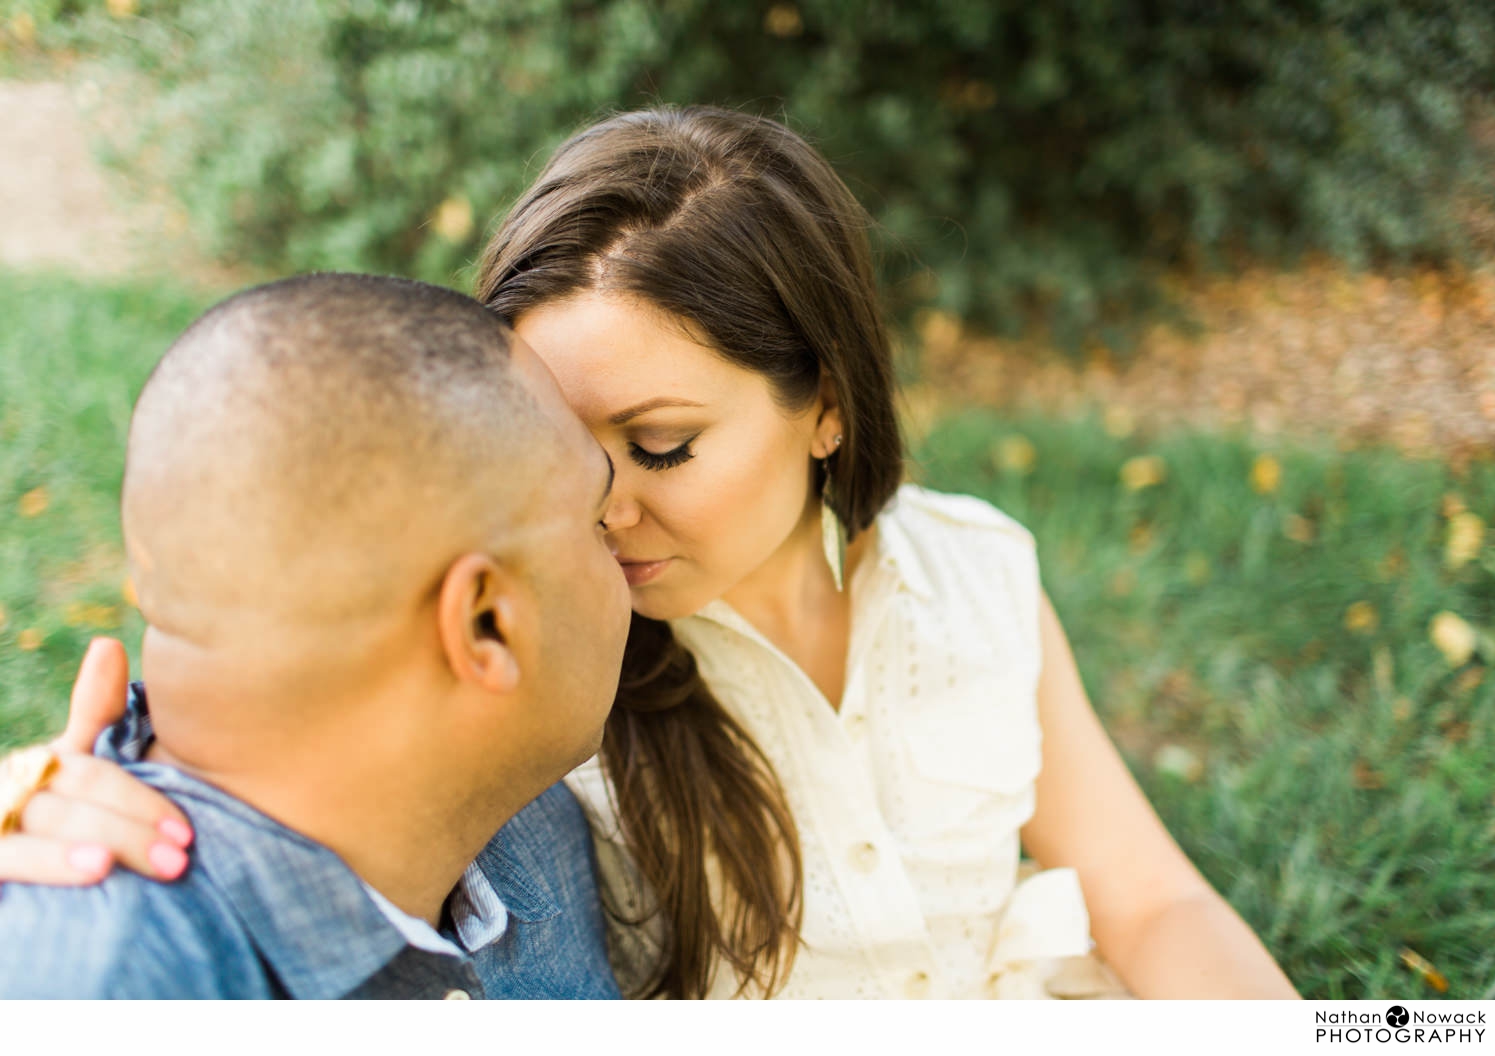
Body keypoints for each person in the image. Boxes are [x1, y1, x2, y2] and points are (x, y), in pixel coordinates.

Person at [3, 107, 1298, 999]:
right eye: (552, 454)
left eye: (661, 444)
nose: (599, 507)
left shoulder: (970, 574)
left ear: (826, 404)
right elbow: (311, 735)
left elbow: (1149, 897)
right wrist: (80, 787)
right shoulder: (546, 702)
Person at [0, 274, 629, 998]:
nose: (624, 556)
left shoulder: (526, 825)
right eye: (598, 518)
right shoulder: (93, 987)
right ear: (485, 624)